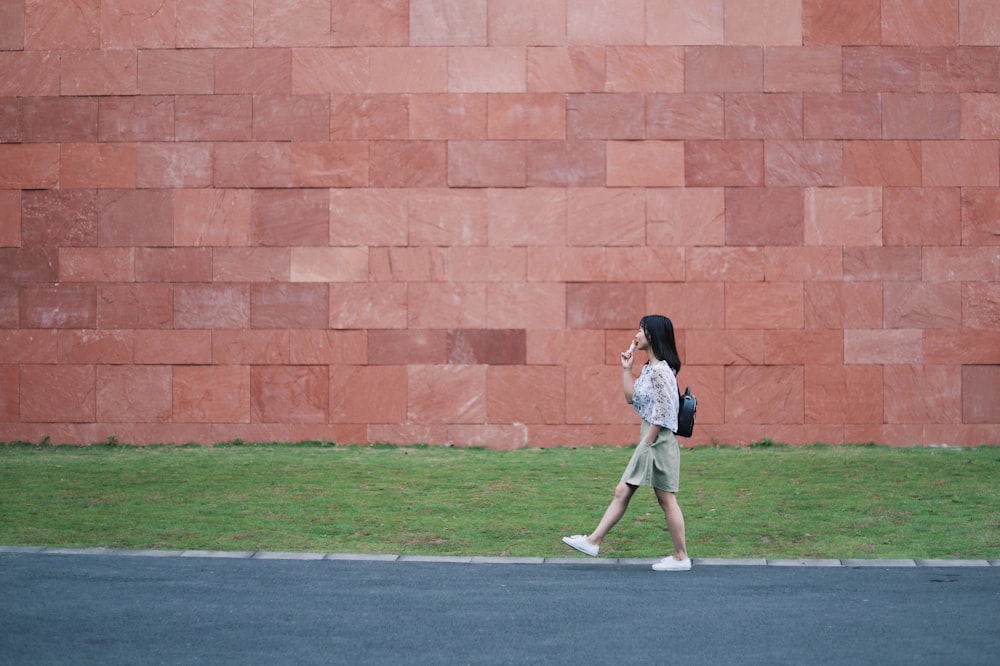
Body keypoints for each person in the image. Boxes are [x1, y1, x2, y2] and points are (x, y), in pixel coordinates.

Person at [562, 315, 691, 571]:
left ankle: (679, 556)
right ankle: (595, 541)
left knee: (658, 497)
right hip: (652, 437)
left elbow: (666, 411)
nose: (637, 334)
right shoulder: (649, 369)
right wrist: (626, 369)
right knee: (640, 493)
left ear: (652, 335)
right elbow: (631, 399)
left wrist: (649, 440)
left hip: (657, 439)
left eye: (641, 330)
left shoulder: (661, 371)